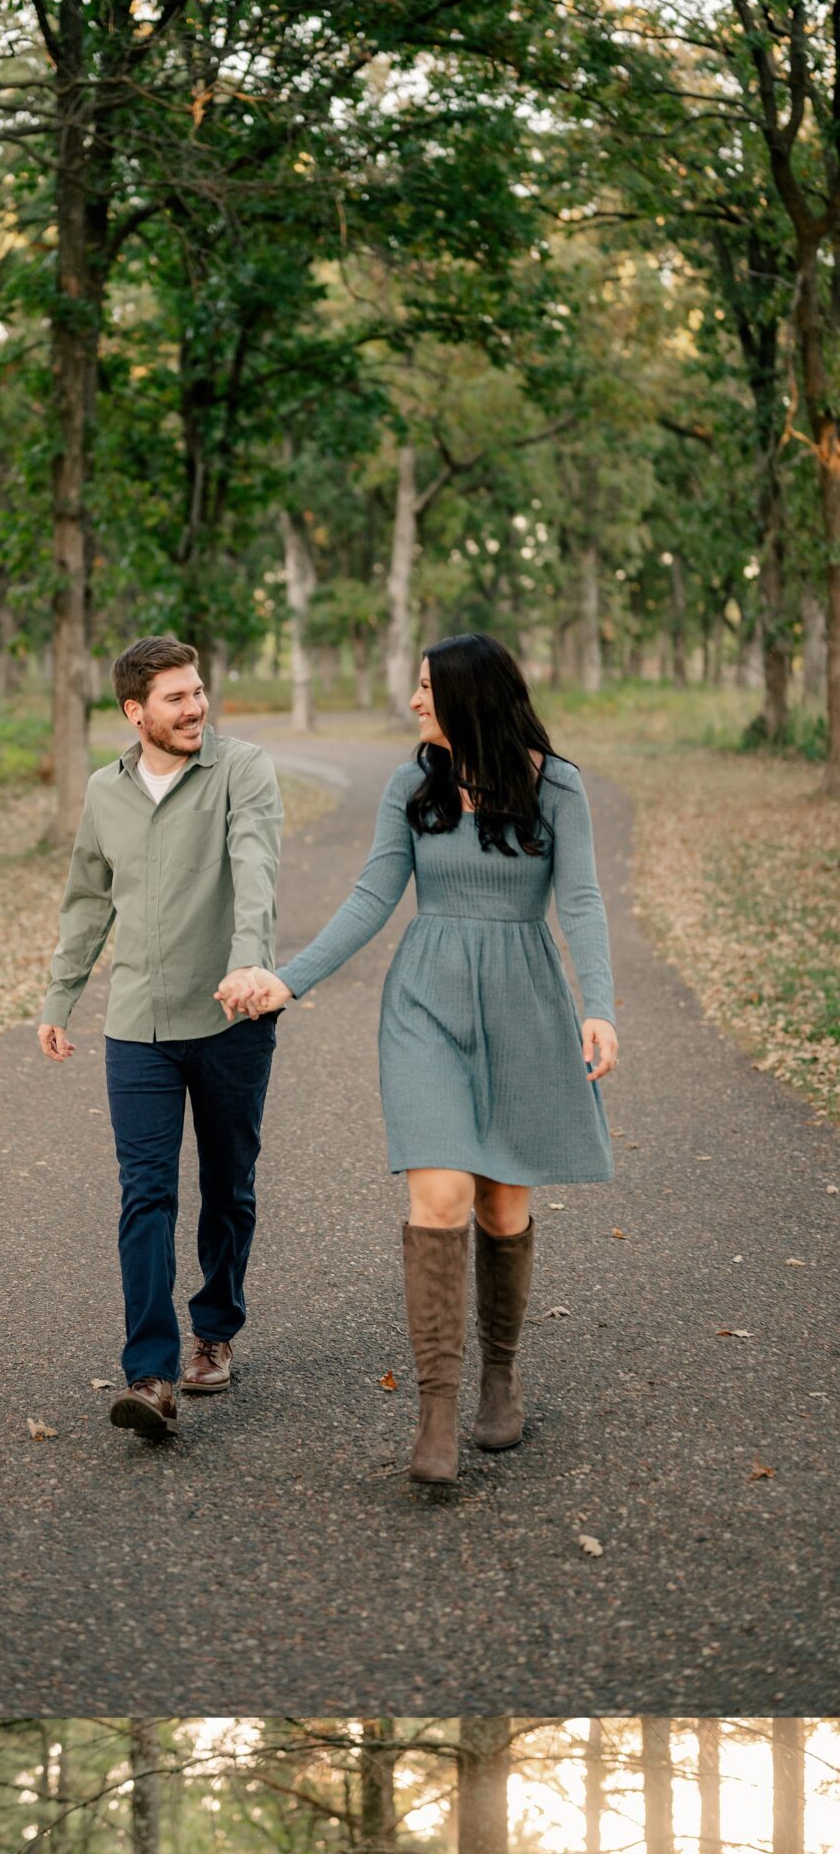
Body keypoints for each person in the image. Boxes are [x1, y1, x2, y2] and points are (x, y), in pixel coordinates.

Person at [218, 633, 619, 1484]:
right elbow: (371, 896)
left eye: (427, 688)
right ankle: (436, 1409)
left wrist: (600, 1009)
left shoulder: (558, 787)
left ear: (472, 697)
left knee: (504, 1205)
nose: (412, 702)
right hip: (425, 1003)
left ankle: (499, 1378)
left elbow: (579, 900)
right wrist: (288, 981)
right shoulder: (411, 785)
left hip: (524, 1005)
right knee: (438, 1193)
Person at [37, 636, 284, 1438]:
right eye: (175, 698)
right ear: (133, 712)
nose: (195, 709)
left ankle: (213, 1330)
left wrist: (250, 963)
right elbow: (86, 901)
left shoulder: (241, 770)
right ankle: (149, 1374)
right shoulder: (106, 794)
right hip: (136, 1026)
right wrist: (58, 998)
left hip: (229, 1018)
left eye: (198, 692)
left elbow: (254, 870)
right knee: (145, 1192)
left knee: (227, 1184)